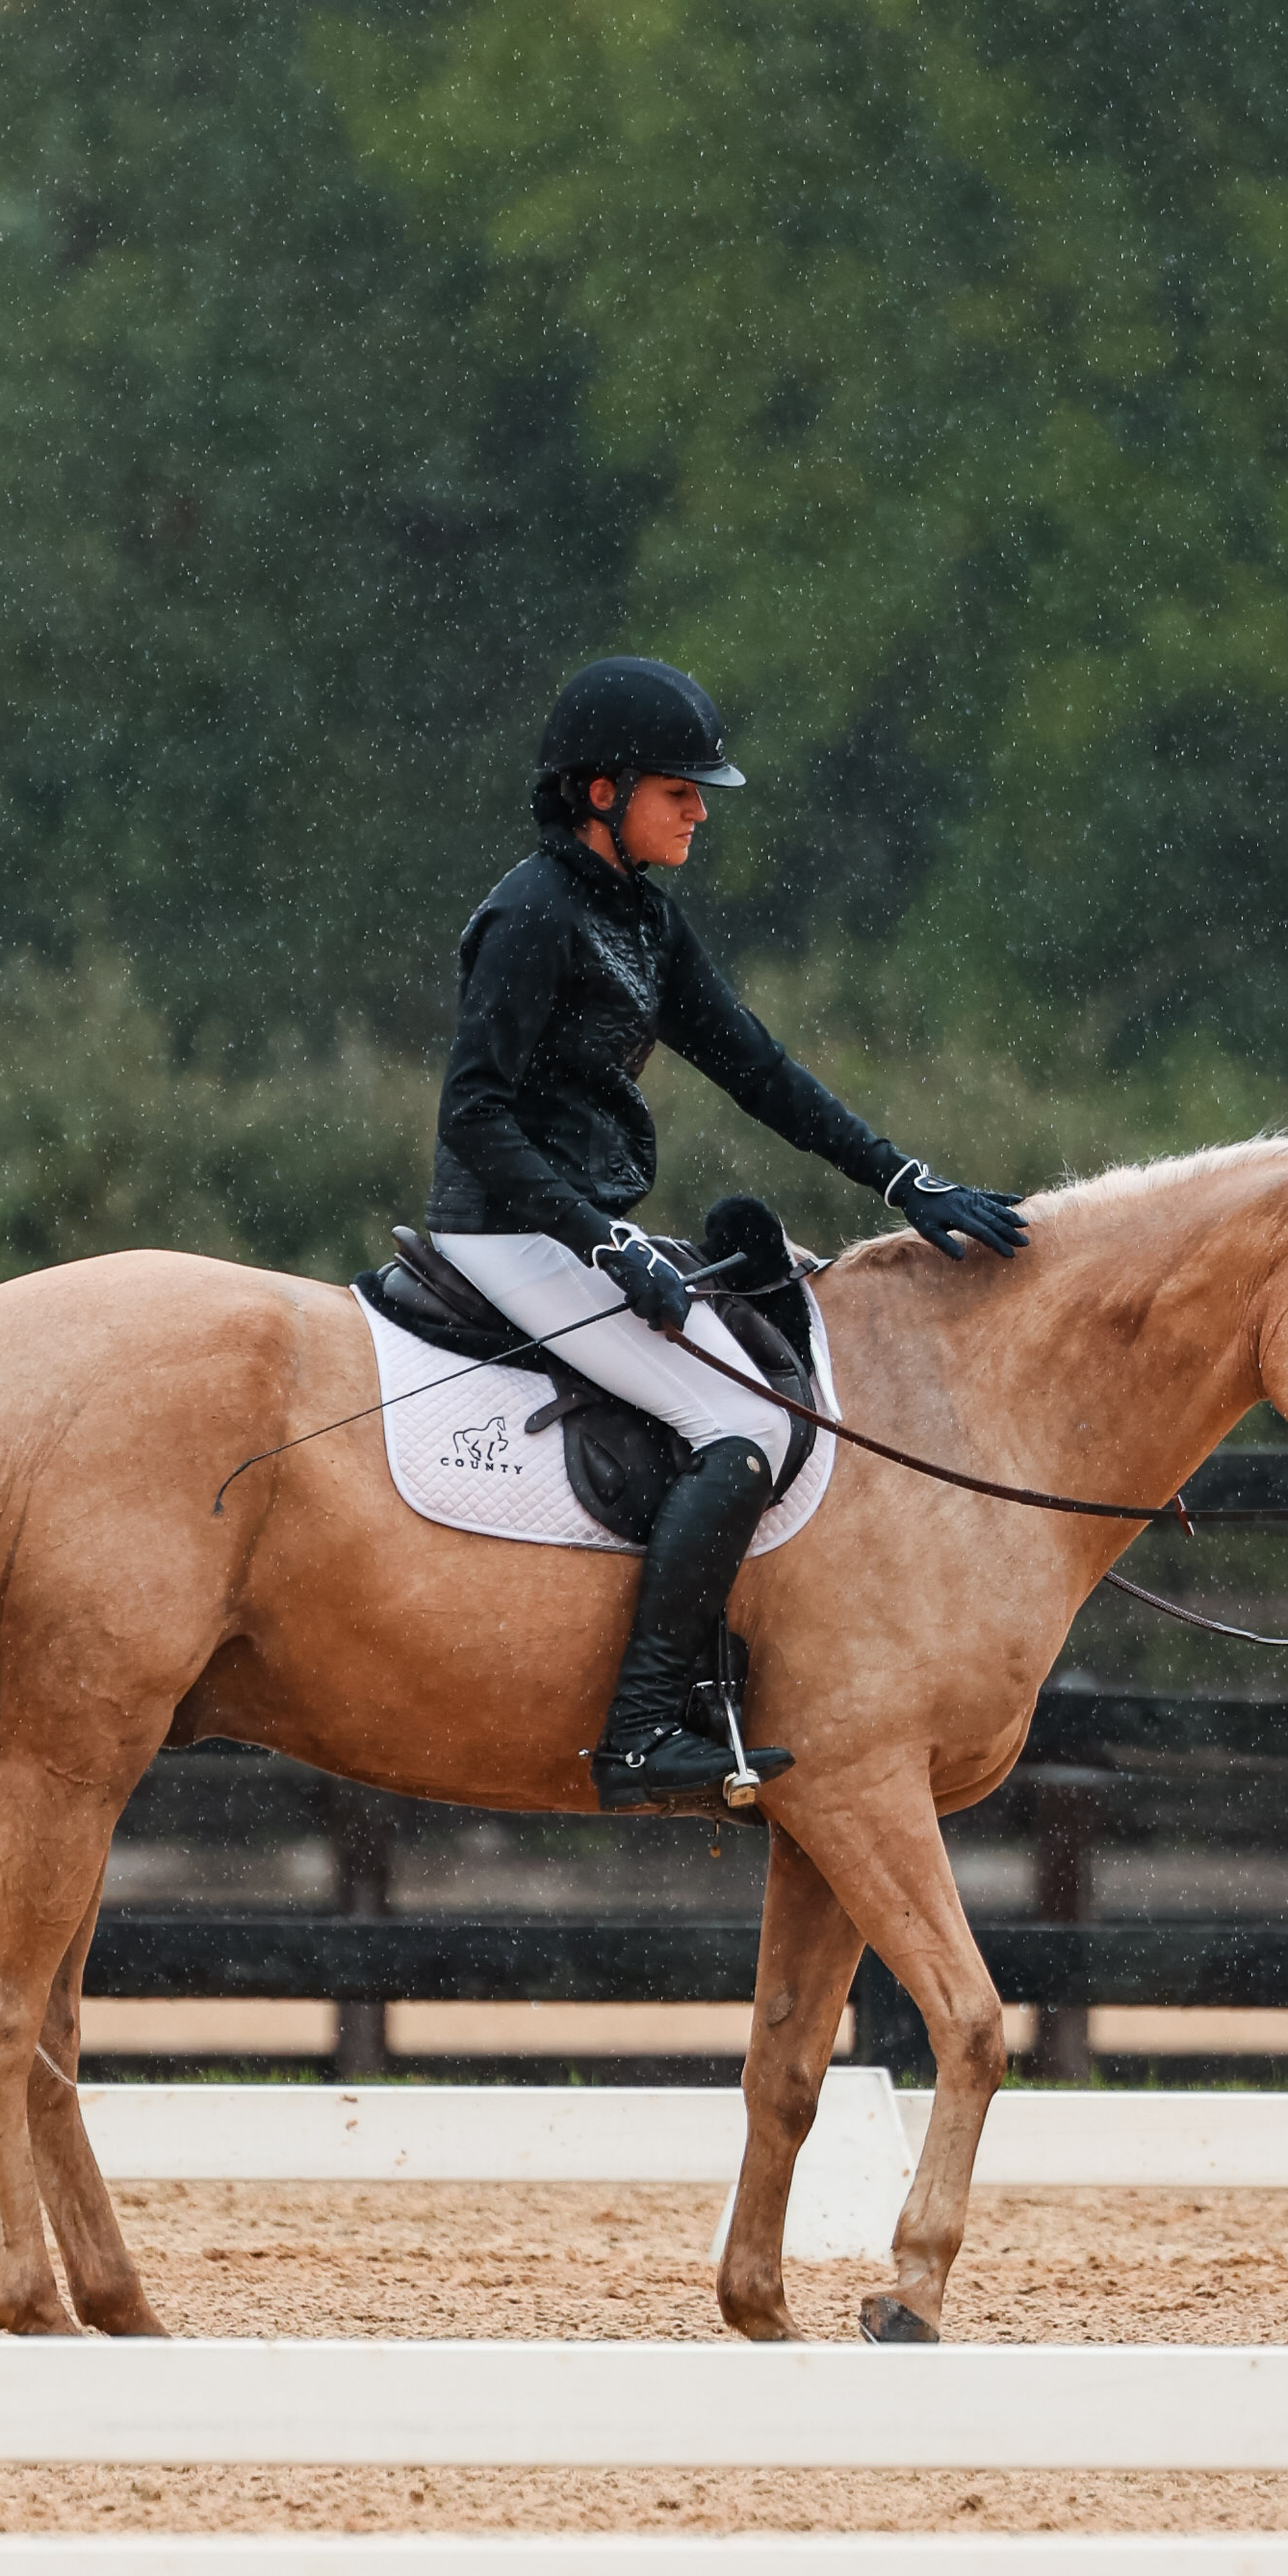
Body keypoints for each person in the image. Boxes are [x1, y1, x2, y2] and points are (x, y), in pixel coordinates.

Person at [430, 655, 1027, 1808]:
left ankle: (701, 1687)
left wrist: (904, 1179)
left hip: (582, 1230)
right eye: (680, 789)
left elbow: (758, 1069)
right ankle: (645, 1726)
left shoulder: (642, 918)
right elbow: (475, 1115)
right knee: (740, 1427)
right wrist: (604, 1244)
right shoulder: (531, 914)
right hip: (510, 1234)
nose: (702, 808)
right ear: (602, 792)